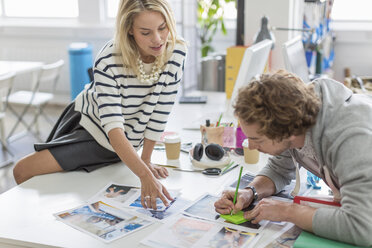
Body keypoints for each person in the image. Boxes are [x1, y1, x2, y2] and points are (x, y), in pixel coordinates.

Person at [13, 0, 187, 211]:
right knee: (23, 170)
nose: (158, 39)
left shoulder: (176, 51)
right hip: (91, 131)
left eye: (162, 27)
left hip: (127, 142)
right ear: (130, 29)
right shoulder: (109, 59)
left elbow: (160, 112)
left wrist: (146, 160)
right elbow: (113, 130)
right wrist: (144, 174)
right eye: (146, 32)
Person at [214, 70, 372, 246]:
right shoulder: (296, 117)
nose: (250, 146)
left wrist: (289, 212)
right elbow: (278, 169)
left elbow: (363, 227)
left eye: (257, 139)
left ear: (289, 131)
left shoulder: (351, 139)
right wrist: (250, 192)